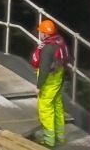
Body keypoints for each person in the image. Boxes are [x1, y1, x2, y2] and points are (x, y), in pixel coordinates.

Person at [30, 19, 71, 147]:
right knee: (57, 106)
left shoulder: (47, 48)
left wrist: (39, 86)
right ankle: (61, 136)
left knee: (46, 109)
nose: (40, 34)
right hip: (58, 78)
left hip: (49, 81)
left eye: (41, 32)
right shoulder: (59, 41)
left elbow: (44, 69)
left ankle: (49, 140)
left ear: (45, 34)